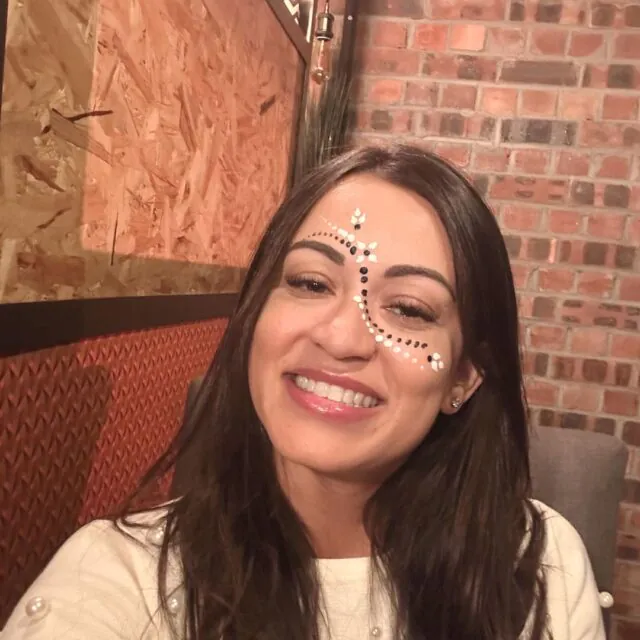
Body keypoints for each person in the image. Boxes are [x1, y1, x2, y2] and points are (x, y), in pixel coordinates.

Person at [3, 144, 604, 640]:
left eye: (409, 309)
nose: (342, 338)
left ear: (464, 378)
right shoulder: (120, 580)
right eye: (311, 283)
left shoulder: (539, 567)